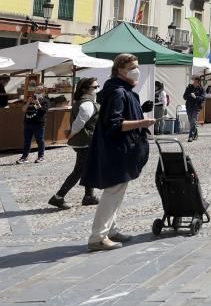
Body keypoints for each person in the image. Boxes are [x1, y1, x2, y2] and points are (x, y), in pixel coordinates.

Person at [82, 53, 155, 251]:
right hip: (117, 150)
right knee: (112, 192)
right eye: (132, 67)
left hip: (123, 149)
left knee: (116, 191)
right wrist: (143, 122)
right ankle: (98, 236)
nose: (136, 70)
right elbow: (113, 124)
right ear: (120, 70)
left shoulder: (122, 90)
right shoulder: (117, 92)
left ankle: (111, 230)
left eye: (137, 66)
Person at [49, 78, 101, 209]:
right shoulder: (87, 104)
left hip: (84, 141)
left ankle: (89, 196)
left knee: (88, 168)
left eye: (97, 86)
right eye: (94, 87)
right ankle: (58, 197)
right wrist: (71, 134)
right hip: (85, 141)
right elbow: (79, 124)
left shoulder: (83, 102)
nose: (97, 89)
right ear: (85, 90)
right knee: (79, 171)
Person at [16, 90, 50, 164]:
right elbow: (23, 109)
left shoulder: (45, 101)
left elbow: (43, 111)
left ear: (43, 93)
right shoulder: (30, 100)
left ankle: (41, 157)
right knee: (27, 141)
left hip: (39, 124)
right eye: (36, 93)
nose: (37, 95)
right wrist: (28, 102)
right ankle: (24, 157)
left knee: (40, 140)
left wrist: (38, 103)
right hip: (28, 123)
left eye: (39, 93)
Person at [183, 75, 206, 142]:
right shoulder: (189, 87)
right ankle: (195, 134)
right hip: (189, 107)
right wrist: (190, 95)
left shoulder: (201, 89)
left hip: (197, 107)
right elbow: (184, 97)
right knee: (191, 122)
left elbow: (203, 98)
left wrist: (196, 97)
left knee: (193, 121)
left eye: (194, 80)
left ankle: (190, 136)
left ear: (198, 81)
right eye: (193, 80)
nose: (193, 81)